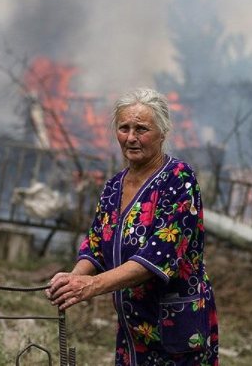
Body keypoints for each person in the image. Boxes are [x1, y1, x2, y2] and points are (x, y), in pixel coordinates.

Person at [46, 88, 219, 365]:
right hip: (133, 326)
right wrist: (74, 278)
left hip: (175, 324)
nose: (131, 137)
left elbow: (158, 257)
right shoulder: (114, 185)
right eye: (124, 128)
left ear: (162, 132)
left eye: (141, 129)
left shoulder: (178, 179)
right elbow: (95, 243)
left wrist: (91, 285)